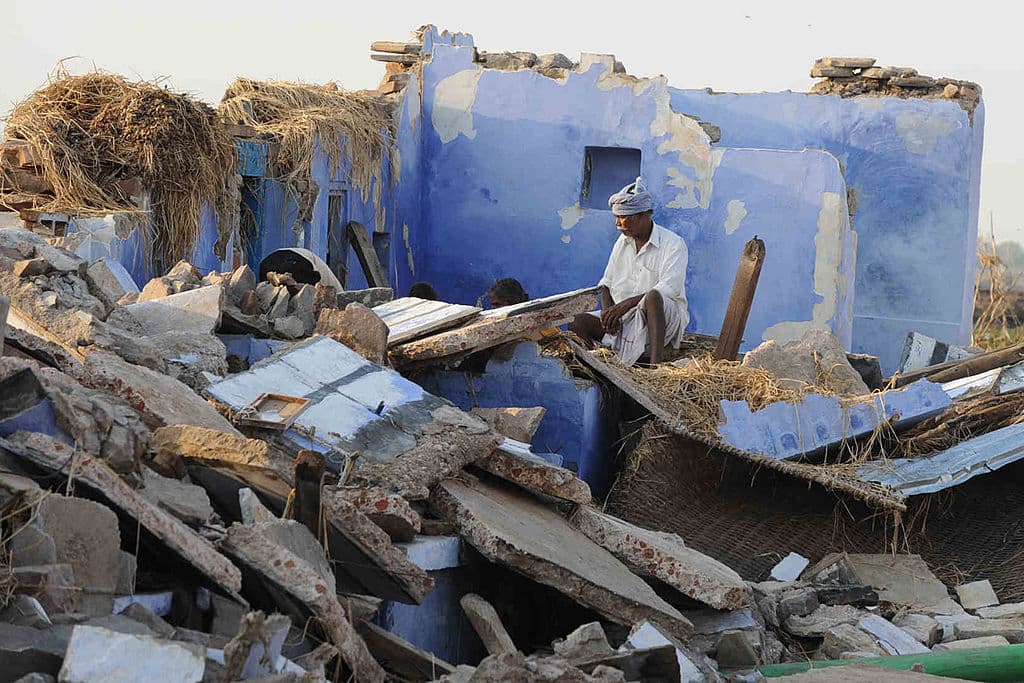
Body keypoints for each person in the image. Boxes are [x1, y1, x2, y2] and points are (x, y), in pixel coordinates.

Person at [569, 177, 689, 366]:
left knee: (653, 296)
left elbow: (669, 289)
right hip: (625, 321)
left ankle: (655, 366)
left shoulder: (673, 244)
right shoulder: (622, 242)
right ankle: (595, 366)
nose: (618, 223)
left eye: (624, 217)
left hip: (661, 320)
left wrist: (624, 305)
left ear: (643, 216)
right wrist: (610, 313)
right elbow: (605, 284)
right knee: (577, 322)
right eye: (616, 217)